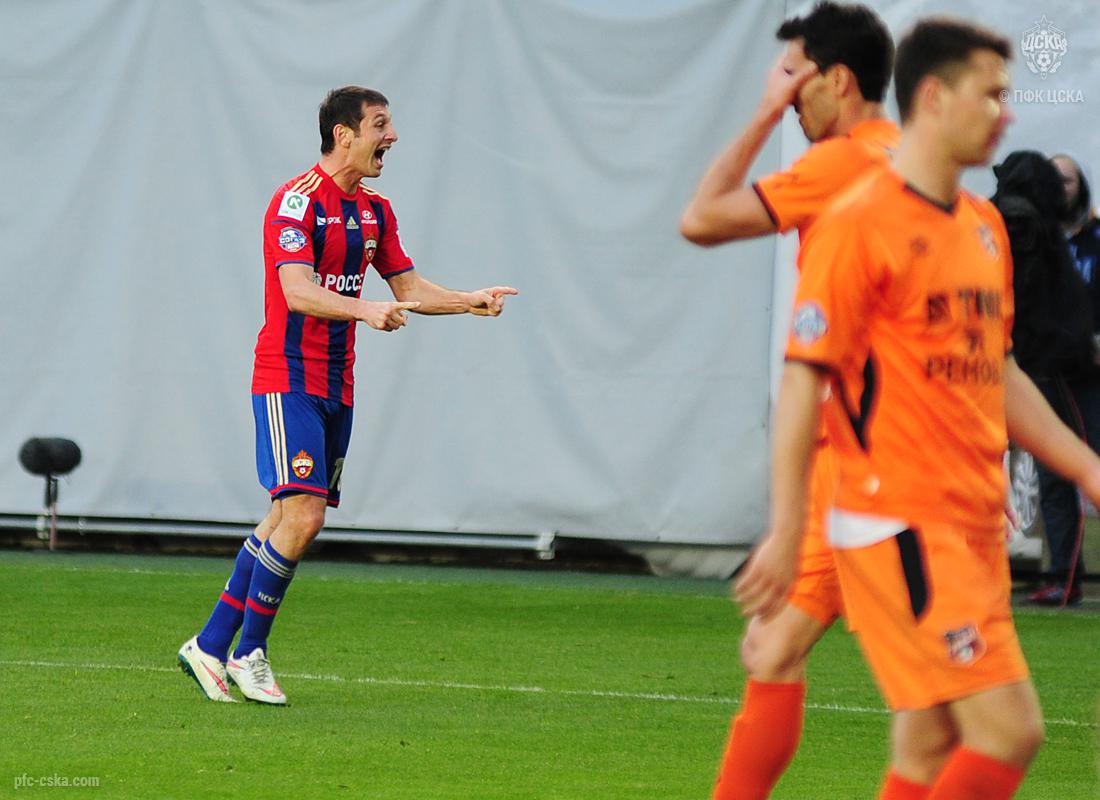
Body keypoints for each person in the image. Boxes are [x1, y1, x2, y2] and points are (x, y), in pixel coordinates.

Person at [737, 18, 1100, 799]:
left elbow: (995, 372)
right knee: (1009, 730)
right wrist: (786, 527)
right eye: (990, 94)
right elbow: (804, 381)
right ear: (933, 97)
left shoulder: (985, 226)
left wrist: (1085, 467)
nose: (1005, 113)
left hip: (969, 518)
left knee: (929, 742)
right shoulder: (860, 220)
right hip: (899, 519)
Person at [178, 86, 518, 704]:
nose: (392, 136)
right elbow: (298, 291)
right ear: (344, 134)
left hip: (339, 384)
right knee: (304, 516)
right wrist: (366, 310)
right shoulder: (296, 201)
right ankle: (250, 652)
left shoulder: (375, 211)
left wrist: (469, 300)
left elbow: (408, 287)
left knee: (285, 519)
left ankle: (208, 644)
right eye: (380, 125)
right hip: (287, 378)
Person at [680, 3, 896, 797]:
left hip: (884, 463)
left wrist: (765, 112)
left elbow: (701, 217)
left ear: (836, 81)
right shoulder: (899, 159)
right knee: (771, 650)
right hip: (864, 451)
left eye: (795, 79)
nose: (789, 94)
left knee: (953, 706)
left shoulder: (844, 162)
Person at [992, 151, 1097, 608]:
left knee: (1070, 468)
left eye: (1067, 179)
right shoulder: (1036, 228)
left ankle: (1063, 577)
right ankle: (1063, 576)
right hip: (1047, 365)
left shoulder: (1010, 223)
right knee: (1064, 470)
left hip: (1056, 366)